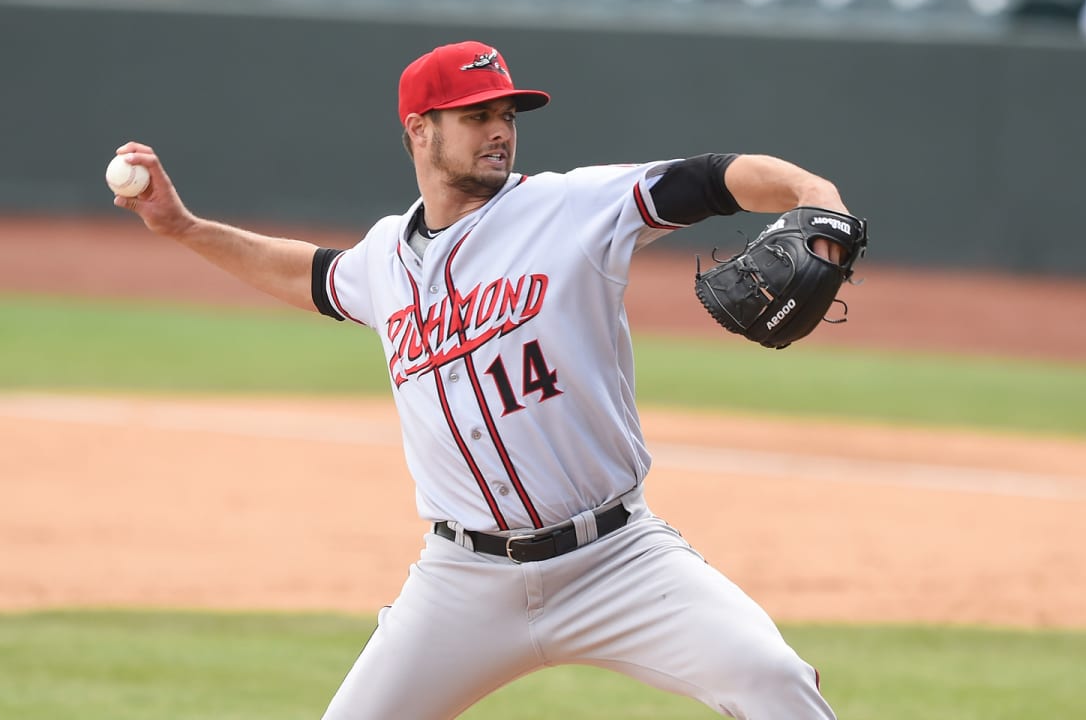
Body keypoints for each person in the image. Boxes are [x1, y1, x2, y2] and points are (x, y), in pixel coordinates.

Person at [114, 40, 852, 719]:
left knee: (773, 680)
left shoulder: (571, 208)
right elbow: (310, 274)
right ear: (419, 130)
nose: (499, 129)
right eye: (475, 115)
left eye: (506, 113)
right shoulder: (383, 260)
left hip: (617, 561)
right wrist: (183, 227)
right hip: (464, 582)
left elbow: (714, 177)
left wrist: (815, 192)